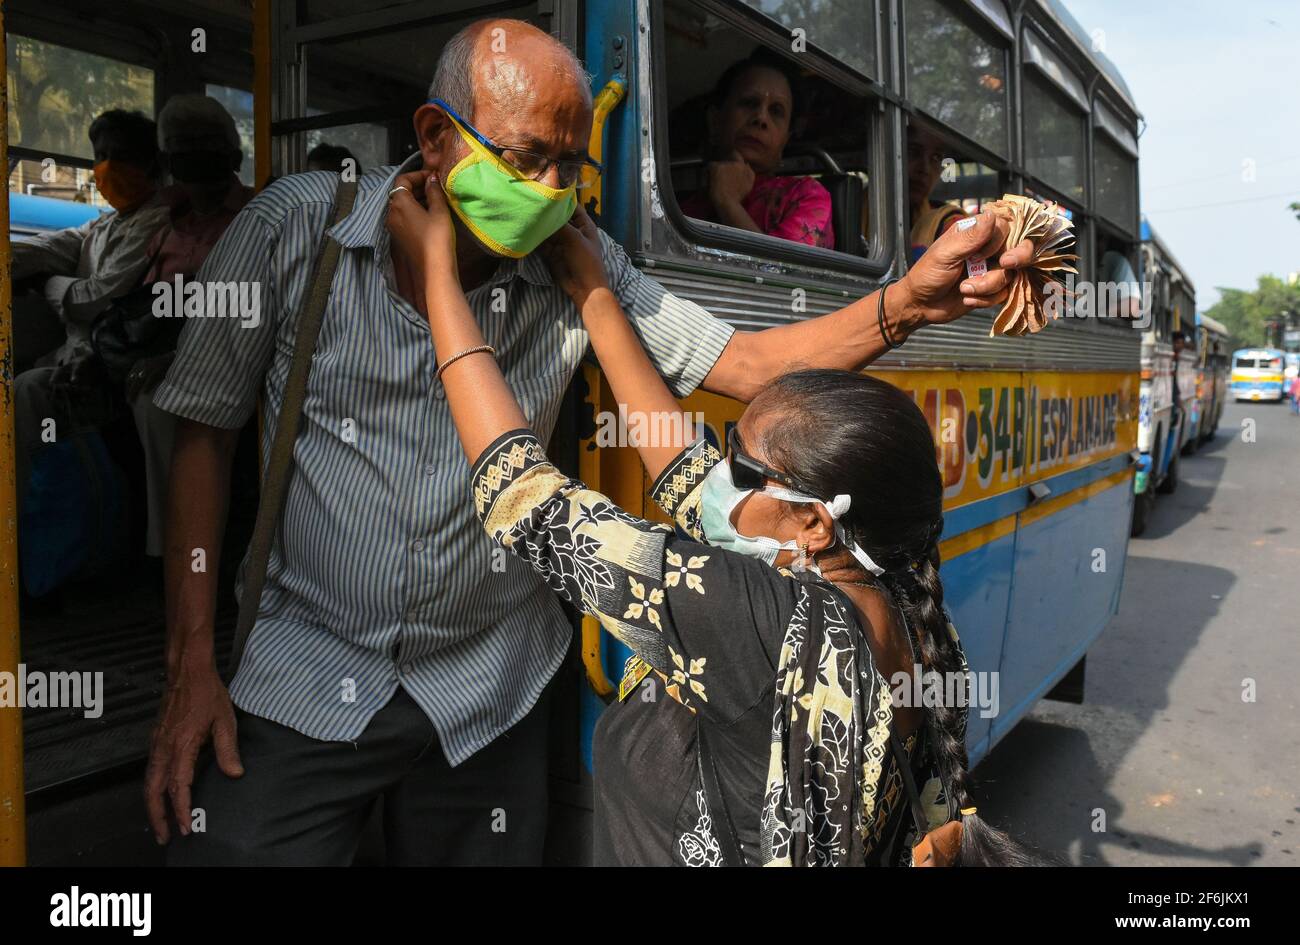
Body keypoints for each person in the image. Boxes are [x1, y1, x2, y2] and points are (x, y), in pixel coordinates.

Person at [147, 17, 1034, 865]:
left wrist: (910, 302)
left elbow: (746, 367)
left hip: (487, 689)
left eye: (569, 166)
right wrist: (193, 660)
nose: (548, 191)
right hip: (305, 669)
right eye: (526, 159)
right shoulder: (295, 228)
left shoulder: (578, 256)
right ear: (434, 134)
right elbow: (203, 433)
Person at [387, 177, 1037, 866]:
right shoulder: (908, 606)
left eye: (742, 469)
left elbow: (524, 496)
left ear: (816, 524)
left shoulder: (757, 621)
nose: (715, 478)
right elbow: (683, 470)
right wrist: (596, 296)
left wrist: (438, 284)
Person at [11, 109, 170, 518]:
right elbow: (47, 248)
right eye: (101, 155)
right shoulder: (100, 226)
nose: (108, 166)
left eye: (120, 155)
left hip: (115, 361)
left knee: (27, 392)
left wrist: (49, 284)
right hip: (76, 351)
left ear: (150, 162)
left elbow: (100, 297)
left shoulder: (159, 222)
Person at [127, 94, 255, 559]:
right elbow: (144, 304)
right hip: (162, 347)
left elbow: (250, 309)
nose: (195, 155)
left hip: (228, 356)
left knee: (160, 404)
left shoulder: (254, 217)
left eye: (206, 144)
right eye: (182, 146)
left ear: (233, 154)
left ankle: (174, 554)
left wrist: (177, 360)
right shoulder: (166, 227)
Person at [678, 48, 834, 249]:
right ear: (715, 121)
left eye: (776, 111)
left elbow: (787, 275)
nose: (761, 118)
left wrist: (728, 203)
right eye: (749, 103)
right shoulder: (678, 211)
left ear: (785, 140)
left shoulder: (806, 196)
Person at [907, 126, 965, 264]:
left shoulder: (946, 221)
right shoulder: (851, 211)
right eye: (913, 152)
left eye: (936, 157)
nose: (925, 169)